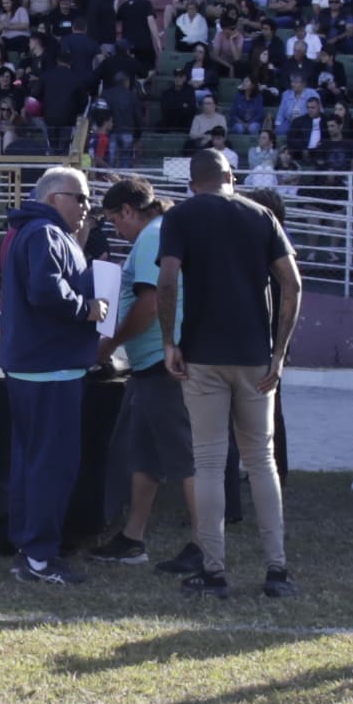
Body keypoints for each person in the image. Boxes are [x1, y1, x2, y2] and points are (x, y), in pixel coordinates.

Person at [157, 144, 300, 599]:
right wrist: (279, 354)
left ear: (193, 182)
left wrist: (169, 343)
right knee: (261, 462)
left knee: (209, 462)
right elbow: (292, 284)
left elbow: (167, 279)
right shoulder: (261, 216)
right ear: (230, 177)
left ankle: (215, 571)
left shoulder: (181, 216)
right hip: (255, 356)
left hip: (202, 354)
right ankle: (277, 570)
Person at [0, 166, 103, 585]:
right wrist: (87, 308)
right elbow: (46, 290)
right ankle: (39, 557)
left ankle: (31, 550)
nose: (86, 208)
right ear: (57, 196)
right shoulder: (44, 234)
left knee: (34, 462)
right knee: (50, 465)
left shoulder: (37, 232)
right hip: (49, 369)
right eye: (82, 199)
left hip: (37, 367)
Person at [87, 176, 195, 566]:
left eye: (116, 221)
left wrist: (109, 345)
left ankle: (204, 547)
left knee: (185, 458)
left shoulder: (152, 235)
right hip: (151, 365)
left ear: (129, 211)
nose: (117, 230)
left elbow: (149, 304)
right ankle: (132, 537)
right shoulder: (160, 231)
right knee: (145, 455)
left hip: (163, 365)